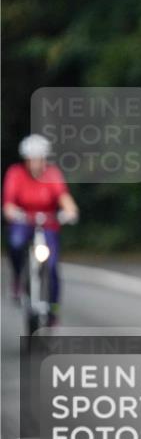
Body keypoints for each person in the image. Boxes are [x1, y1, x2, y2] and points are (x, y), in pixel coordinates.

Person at [3, 134, 78, 324]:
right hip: (23, 222)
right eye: (31, 159)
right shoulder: (15, 173)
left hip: (47, 224)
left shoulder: (52, 174)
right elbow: (9, 203)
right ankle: (18, 278)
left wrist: (69, 211)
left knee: (52, 265)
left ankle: (53, 308)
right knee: (16, 243)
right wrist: (12, 212)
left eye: (38, 159)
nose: (35, 163)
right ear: (25, 160)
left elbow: (64, 197)